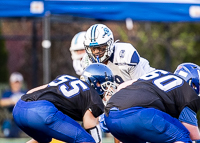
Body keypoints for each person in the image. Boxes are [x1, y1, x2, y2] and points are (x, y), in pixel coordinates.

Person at [101, 62, 200, 143]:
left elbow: (122, 86)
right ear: (194, 85)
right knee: (182, 136)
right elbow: (193, 135)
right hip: (138, 116)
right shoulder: (188, 93)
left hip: (110, 115)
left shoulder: (159, 73)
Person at [12, 72, 105, 143]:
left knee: (46, 139)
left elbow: (31, 92)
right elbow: (89, 125)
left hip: (19, 108)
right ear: (97, 83)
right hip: (42, 112)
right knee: (86, 139)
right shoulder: (93, 96)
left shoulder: (66, 78)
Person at [82, 24, 155, 85]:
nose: (96, 52)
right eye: (92, 49)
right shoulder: (86, 62)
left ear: (110, 44)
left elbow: (141, 87)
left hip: (149, 82)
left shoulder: (125, 55)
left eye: (100, 47)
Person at [0, 72, 26, 138]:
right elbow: (2, 102)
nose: (16, 85)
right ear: (11, 83)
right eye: (15, 83)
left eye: (18, 83)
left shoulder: (25, 92)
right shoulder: (7, 93)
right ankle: (8, 132)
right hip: (10, 115)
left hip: (23, 116)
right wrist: (12, 101)